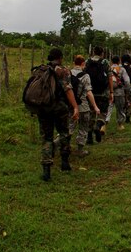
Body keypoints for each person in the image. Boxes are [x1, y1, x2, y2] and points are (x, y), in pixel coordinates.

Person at [37, 48, 79, 181]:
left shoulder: (40, 70)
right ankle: (65, 162)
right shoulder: (63, 70)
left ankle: (46, 170)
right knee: (64, 133)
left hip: (43, 108)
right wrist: (75, 106)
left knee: (47, 138)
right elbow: (68, 89)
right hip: (59, 107)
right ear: (60, 57)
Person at [70, 55, 100, 156]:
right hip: (83, 106)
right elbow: (88, 92)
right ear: (83, 64)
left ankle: (59, 145)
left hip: (70, 106)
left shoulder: (68, 73)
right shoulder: (85, 76)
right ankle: (80, 150)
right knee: (83, 128)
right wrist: (95, 106)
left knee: (69, 128)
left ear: (74, 63)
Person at [86, 46, 113, 142]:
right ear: (102, 53)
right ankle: (98, 126)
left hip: (90, 92)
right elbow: (110, 77)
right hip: (103, 92)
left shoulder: (87, 61)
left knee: (91, 113)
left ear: (93, 52)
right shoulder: (105, 62)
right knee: (103, 112)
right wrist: (111, 91)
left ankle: (89, 136)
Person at [110, 56, 131, 130]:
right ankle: (120, 125)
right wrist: (127, 91)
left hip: (109, 92)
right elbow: (127, 82)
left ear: (111, 61)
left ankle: (104, 124)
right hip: (119, 92)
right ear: (119, 61)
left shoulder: (108, 68)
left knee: (108, 109)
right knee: (120, 109)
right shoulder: (122, 69)